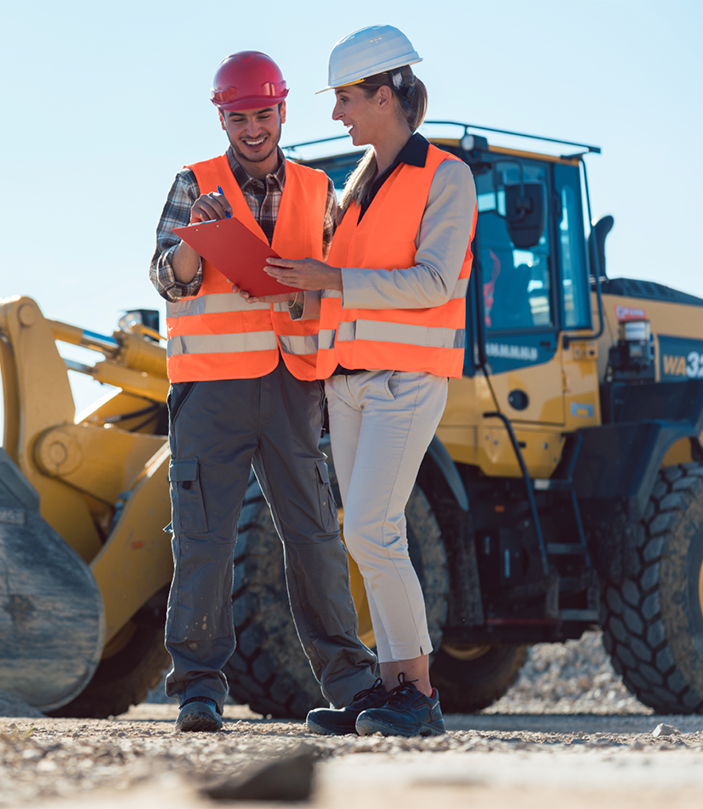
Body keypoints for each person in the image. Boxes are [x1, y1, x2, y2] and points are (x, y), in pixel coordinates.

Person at [149, 50, 379, 733]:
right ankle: (197, 688)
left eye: (263, 114)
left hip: (292, 387)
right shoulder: (195, 182)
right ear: (223, 118)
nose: (253, 129)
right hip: (211, 389)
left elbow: (339, 278)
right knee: (204, 538)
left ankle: (353, 678)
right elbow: (168, 276)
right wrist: (201, 240)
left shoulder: (317, 190)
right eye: (239, 117)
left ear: (283, 111)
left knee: (313, 537)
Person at [261, 26, 477, 738]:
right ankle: (388, 686)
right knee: (364, 533)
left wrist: (335, 279)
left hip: (405, 382)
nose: (337, 115)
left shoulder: (445, 177)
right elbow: (342, 289)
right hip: (349, 385)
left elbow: (436, 279)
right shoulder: (357, 187)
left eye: (347, 100)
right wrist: (296, 284)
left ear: (387, 95)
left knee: (376, 530)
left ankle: (416, 690)